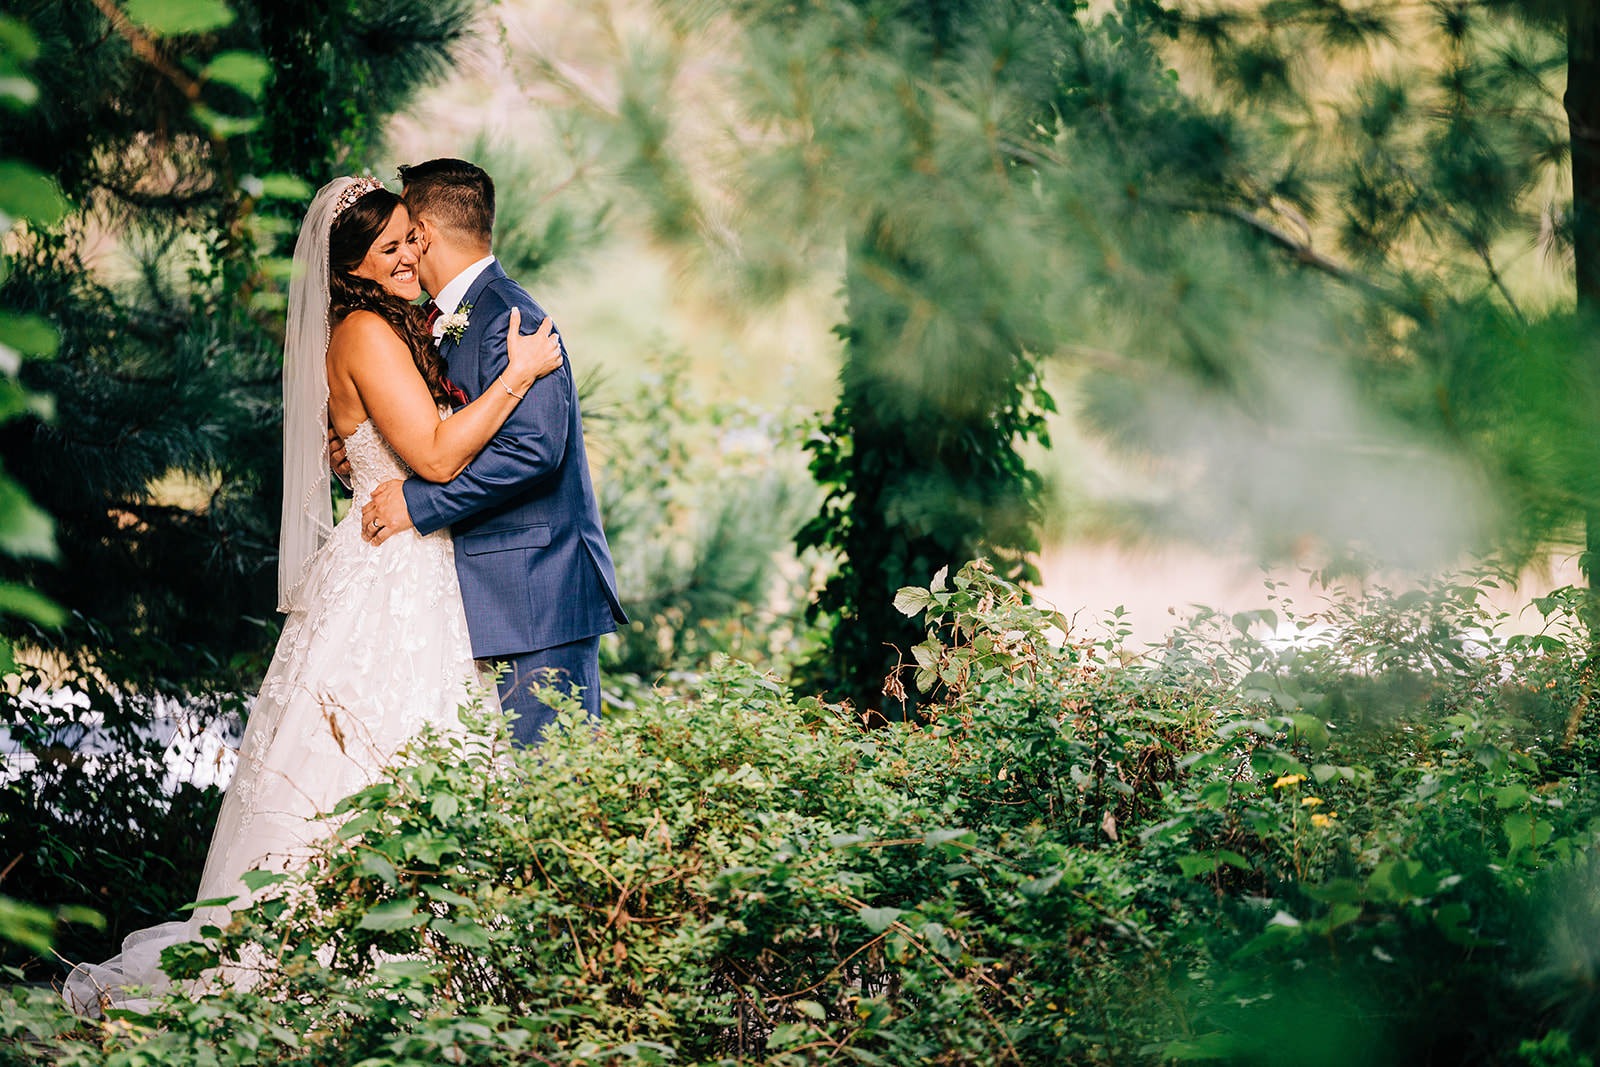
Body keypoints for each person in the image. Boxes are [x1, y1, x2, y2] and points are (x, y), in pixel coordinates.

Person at [62, 175, 565, 1016]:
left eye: (412, 237)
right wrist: (517, 377)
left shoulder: (383, 326)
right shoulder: (367, 329)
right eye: (390, 248)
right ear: (351, 269)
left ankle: (409, 960)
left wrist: (365, 448)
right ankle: (348, 960)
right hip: (392, 570)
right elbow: (437, 460)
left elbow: (401, 444)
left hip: (408, 564)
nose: (410, 256)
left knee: (404, 757)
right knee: (372, 758)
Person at [357, 159, 626, 747]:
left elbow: (532, 450)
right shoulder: (444, 318)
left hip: (534, 592)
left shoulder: (513, 316)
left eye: (405, 232)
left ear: (422, 233)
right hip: (483, 593)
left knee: (548, 794)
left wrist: (418, 502)